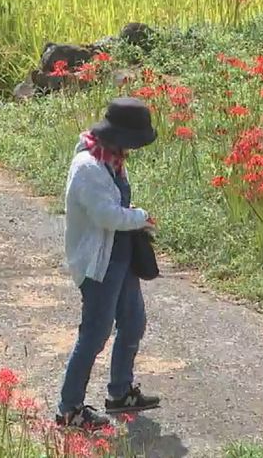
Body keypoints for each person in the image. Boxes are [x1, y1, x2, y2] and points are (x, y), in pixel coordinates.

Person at [56, 97, 162, 431]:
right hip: (98, 263)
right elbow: (104, 215)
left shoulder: (111, 160)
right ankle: (69, 408)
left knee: (133, 322)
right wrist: (140, 217)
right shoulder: (88, 167)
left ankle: (120, 393)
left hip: (121, 254)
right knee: (95, 334)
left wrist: (133, 219)